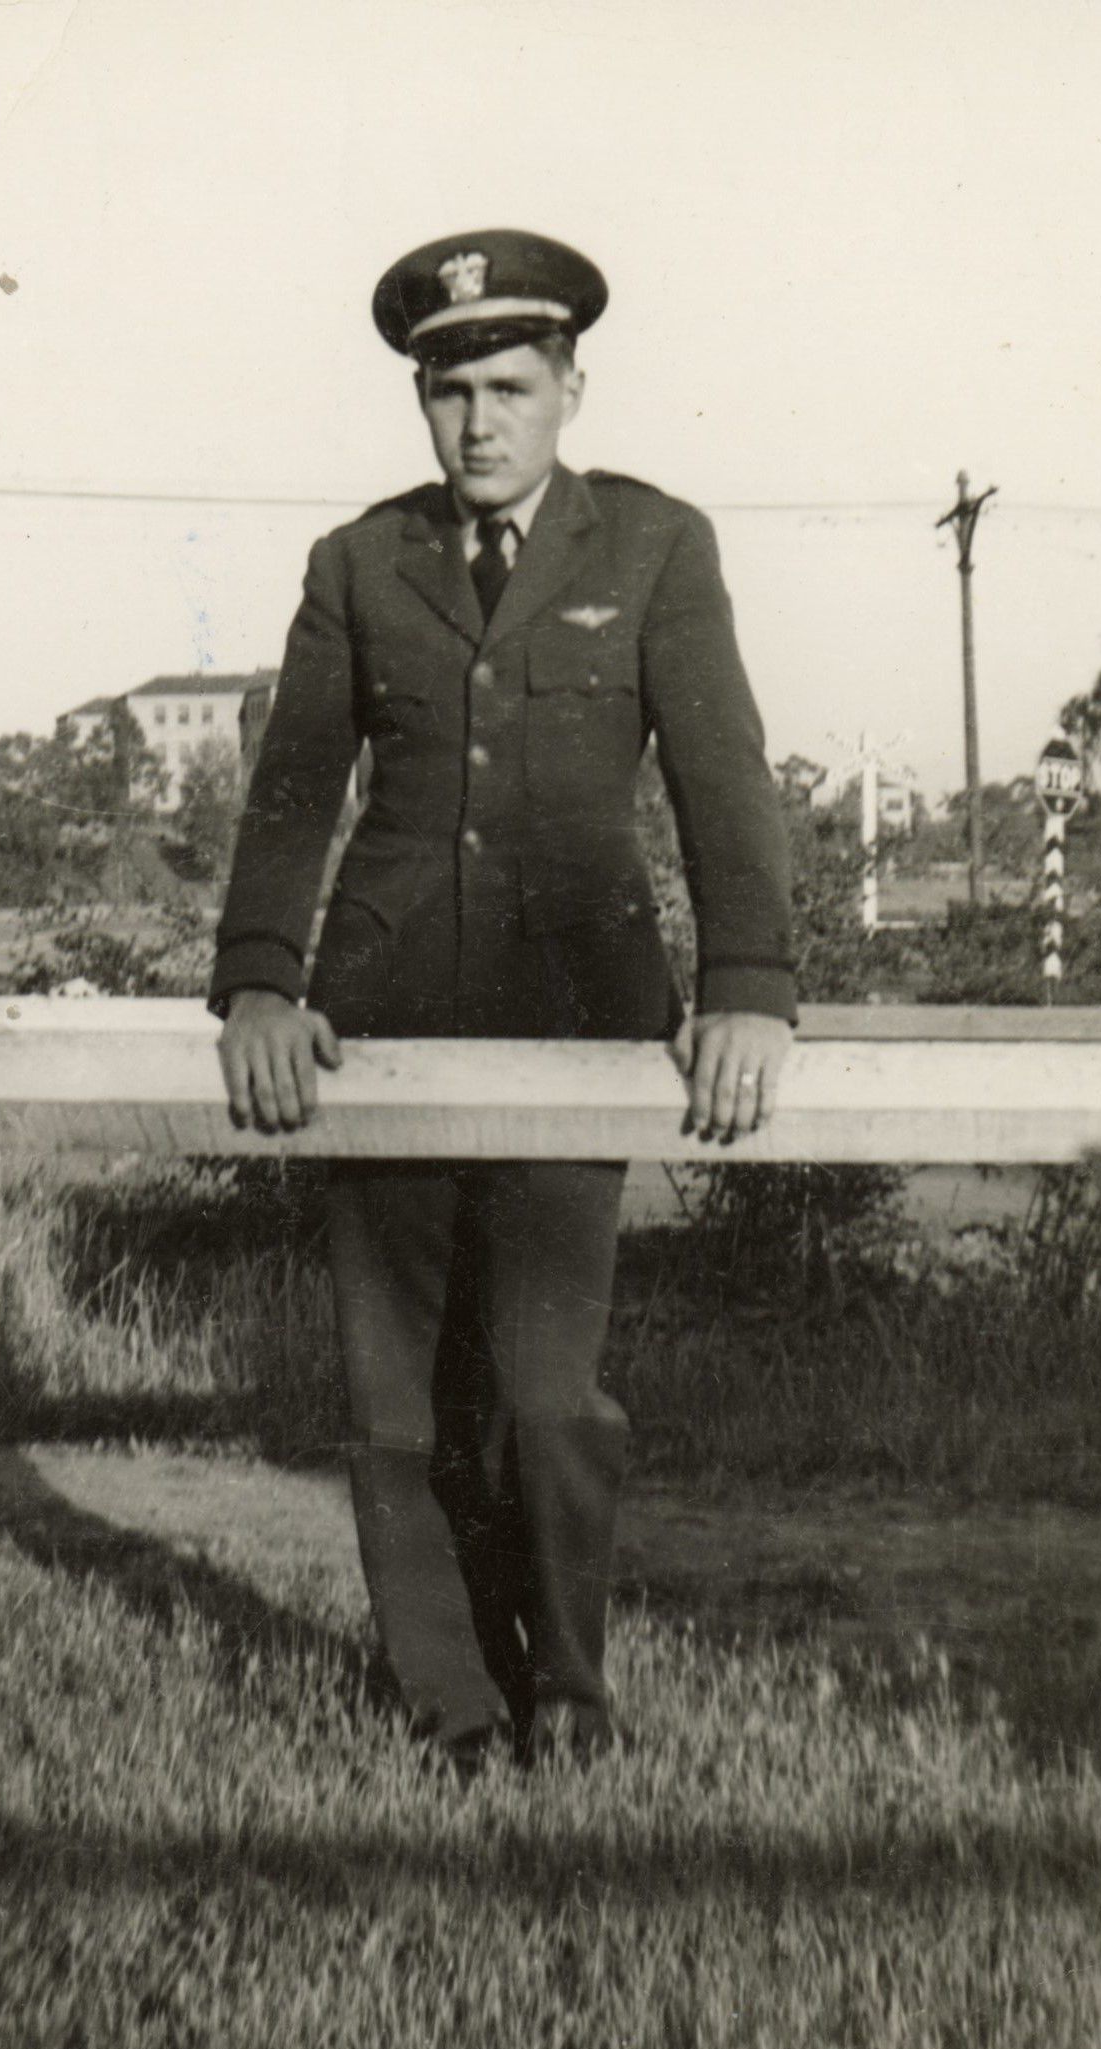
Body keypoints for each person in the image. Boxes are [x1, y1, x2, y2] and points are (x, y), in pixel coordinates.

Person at [211, 227, 795, 1772]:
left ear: (570, 391)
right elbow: (293, 792)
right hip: (379, 1026)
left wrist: (747, 987)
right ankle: (450, 1709)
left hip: (578, 1021)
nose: (479, 424)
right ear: (423, 401)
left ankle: (569, 1698)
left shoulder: (653, 547)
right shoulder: (358, 563)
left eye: (511, 389)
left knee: (544, 1397)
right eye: (450, 393)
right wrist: (260, 983)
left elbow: (725, 775)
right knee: (397, 1406)